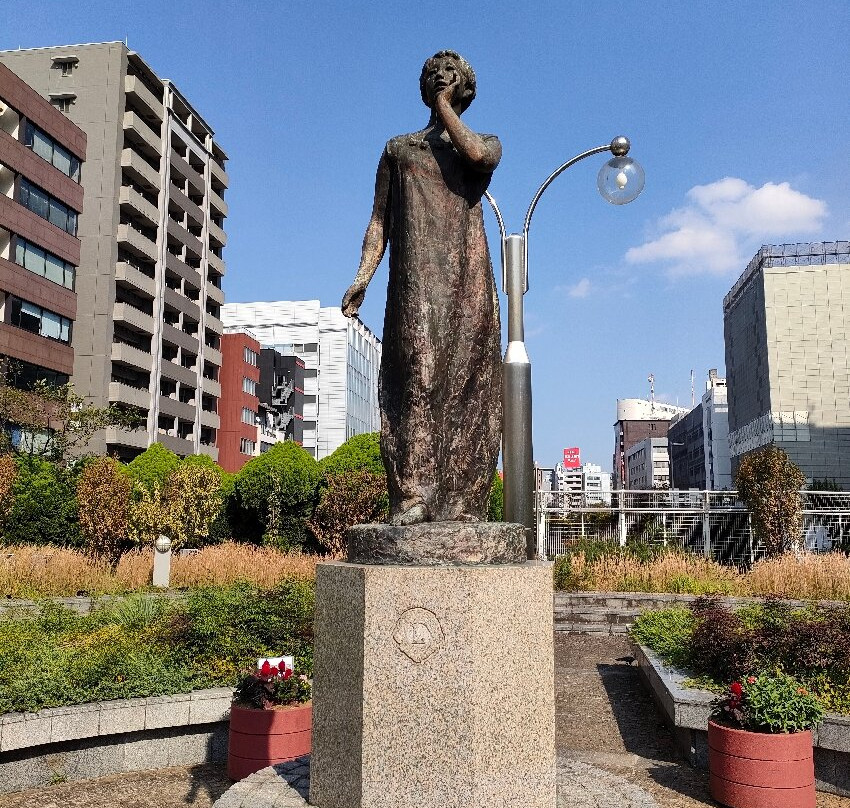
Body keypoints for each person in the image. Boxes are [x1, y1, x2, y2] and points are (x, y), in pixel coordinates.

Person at [342, 50, 502, 525]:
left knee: (470, 383)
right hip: (414, 281)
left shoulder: (483, 145)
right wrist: (362, 276)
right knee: (416, 377)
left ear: (465, 88)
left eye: (450, 74)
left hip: (468, 281)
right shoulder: (399, 149)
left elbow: (475, 155)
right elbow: (379, 220)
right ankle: (412, 495)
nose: (440, 78)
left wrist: (447, 109)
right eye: (433, 73)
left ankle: (462, 501)